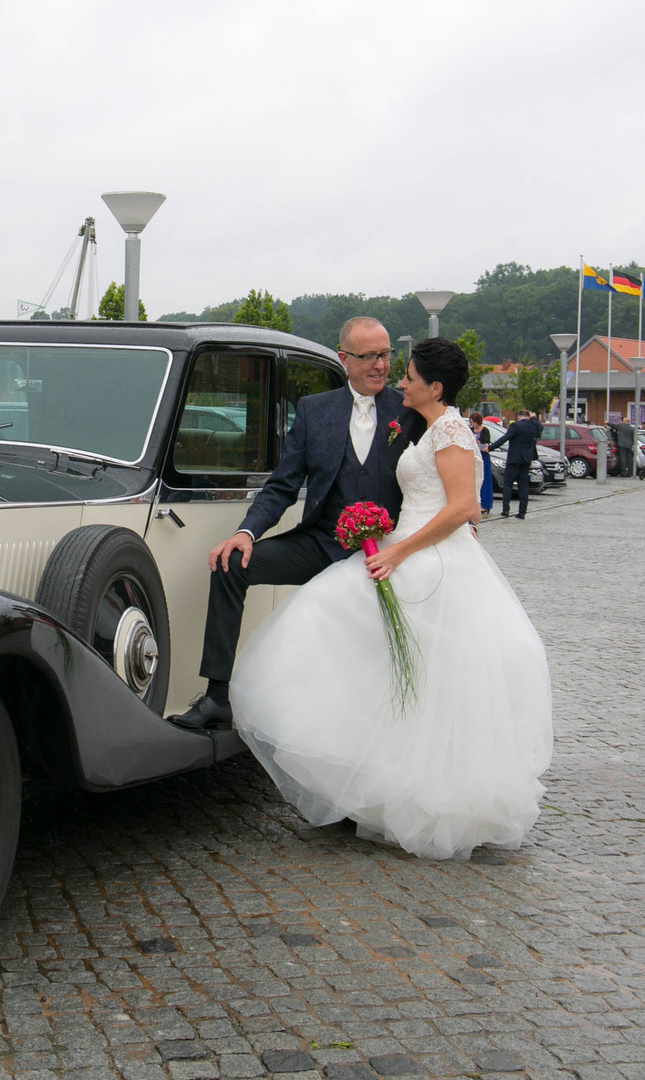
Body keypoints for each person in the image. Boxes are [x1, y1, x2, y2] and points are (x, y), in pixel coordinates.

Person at [231, 337, 553, 859]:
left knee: (364, 639)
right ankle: (380, 784)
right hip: (405, 548)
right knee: (392, 666)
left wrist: (398, 552)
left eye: (408, 374)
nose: (400, 380)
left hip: (425, 560)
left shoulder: (447, 426)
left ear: (435, 386)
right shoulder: (430, 423)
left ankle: (416, 791)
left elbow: (464, 507)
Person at [167, 316, 425, 731]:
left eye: (385, 354)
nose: (380, 365)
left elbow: (439, 471)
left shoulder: (410, 411)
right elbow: (282, 485)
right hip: (322, 545)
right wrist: (245, 533)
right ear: (344, 359)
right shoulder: (314, 410)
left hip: (389, 551)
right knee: (231, 565)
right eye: (369, 356)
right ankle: (217, 697)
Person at [488, 410, 541, 519]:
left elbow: (504, 438)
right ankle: (522, 512)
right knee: (523, 485)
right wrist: (534, 418)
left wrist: (490, 448)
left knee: (508, 483)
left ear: (518, 416)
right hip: (526, 459)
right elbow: (540, 428)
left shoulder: (515, 426)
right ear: (528, 417)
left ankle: (506, 510)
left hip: (514, 458)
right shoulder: (533, 426)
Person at [469, 412, 494, 513]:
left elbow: (486, 444)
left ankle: (484, 504)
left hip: (482, 456)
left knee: (484, 479)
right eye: (470, 423)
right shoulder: (470, 430)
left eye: (473, 422)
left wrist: (480, 443)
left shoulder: (485, 431)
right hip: (472, 456)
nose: (472, 425)